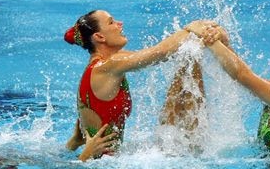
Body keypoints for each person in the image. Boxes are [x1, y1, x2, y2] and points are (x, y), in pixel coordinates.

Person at [62, 9, 211, 159]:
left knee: (186, 65)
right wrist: (192, 29)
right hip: (99, 164)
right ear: (99, 37)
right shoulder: (106, 66)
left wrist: (75, 142)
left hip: (110, 160)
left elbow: (158, 55)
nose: (120, 24)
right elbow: (160, 52)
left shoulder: (112, 61)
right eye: (111, 22)